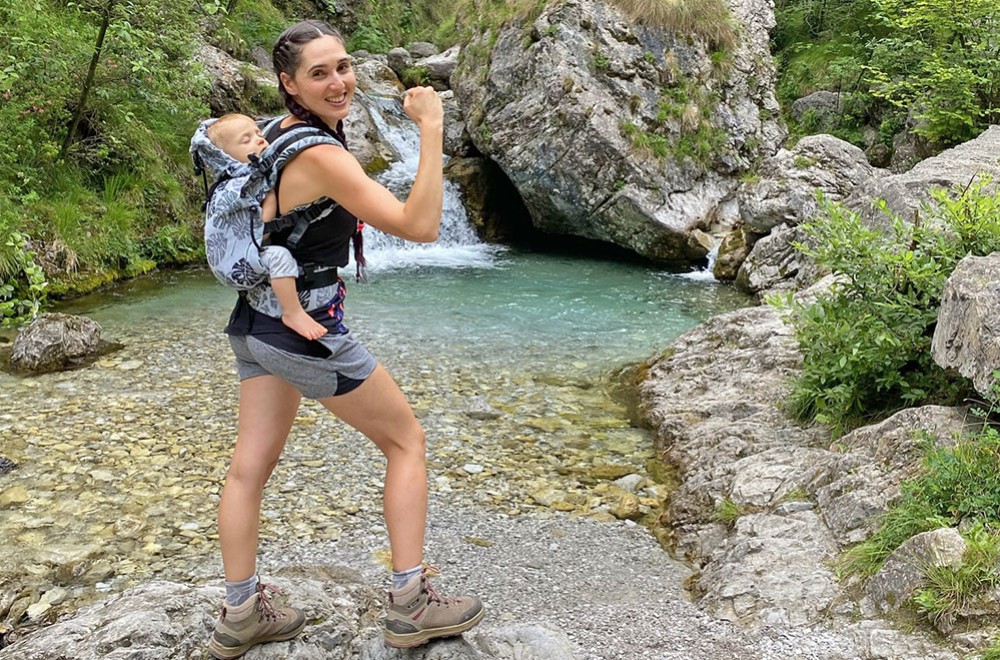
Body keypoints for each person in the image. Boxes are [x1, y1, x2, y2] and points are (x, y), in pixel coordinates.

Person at [206, 19, 484, 660]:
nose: (338, 82)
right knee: (405, 441)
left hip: (253, 325)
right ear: (289, 83)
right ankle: (411, 605)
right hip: (304, 331)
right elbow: (419, 226)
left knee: (249, 469)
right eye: (319, 73)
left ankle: (241, 612)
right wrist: (432, 128)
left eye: (343, 66)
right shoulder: (321, 155)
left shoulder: (270, 137)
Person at [205, 113, 328, 341]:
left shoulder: (233, 181)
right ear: (224, 157)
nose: (260, 140)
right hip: (239, 260)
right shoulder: (240, 186)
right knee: (280, 257)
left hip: (232, 262)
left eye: (259, 134)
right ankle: (293, 313)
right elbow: (262, 232)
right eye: (246, 140)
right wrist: (270, 198)